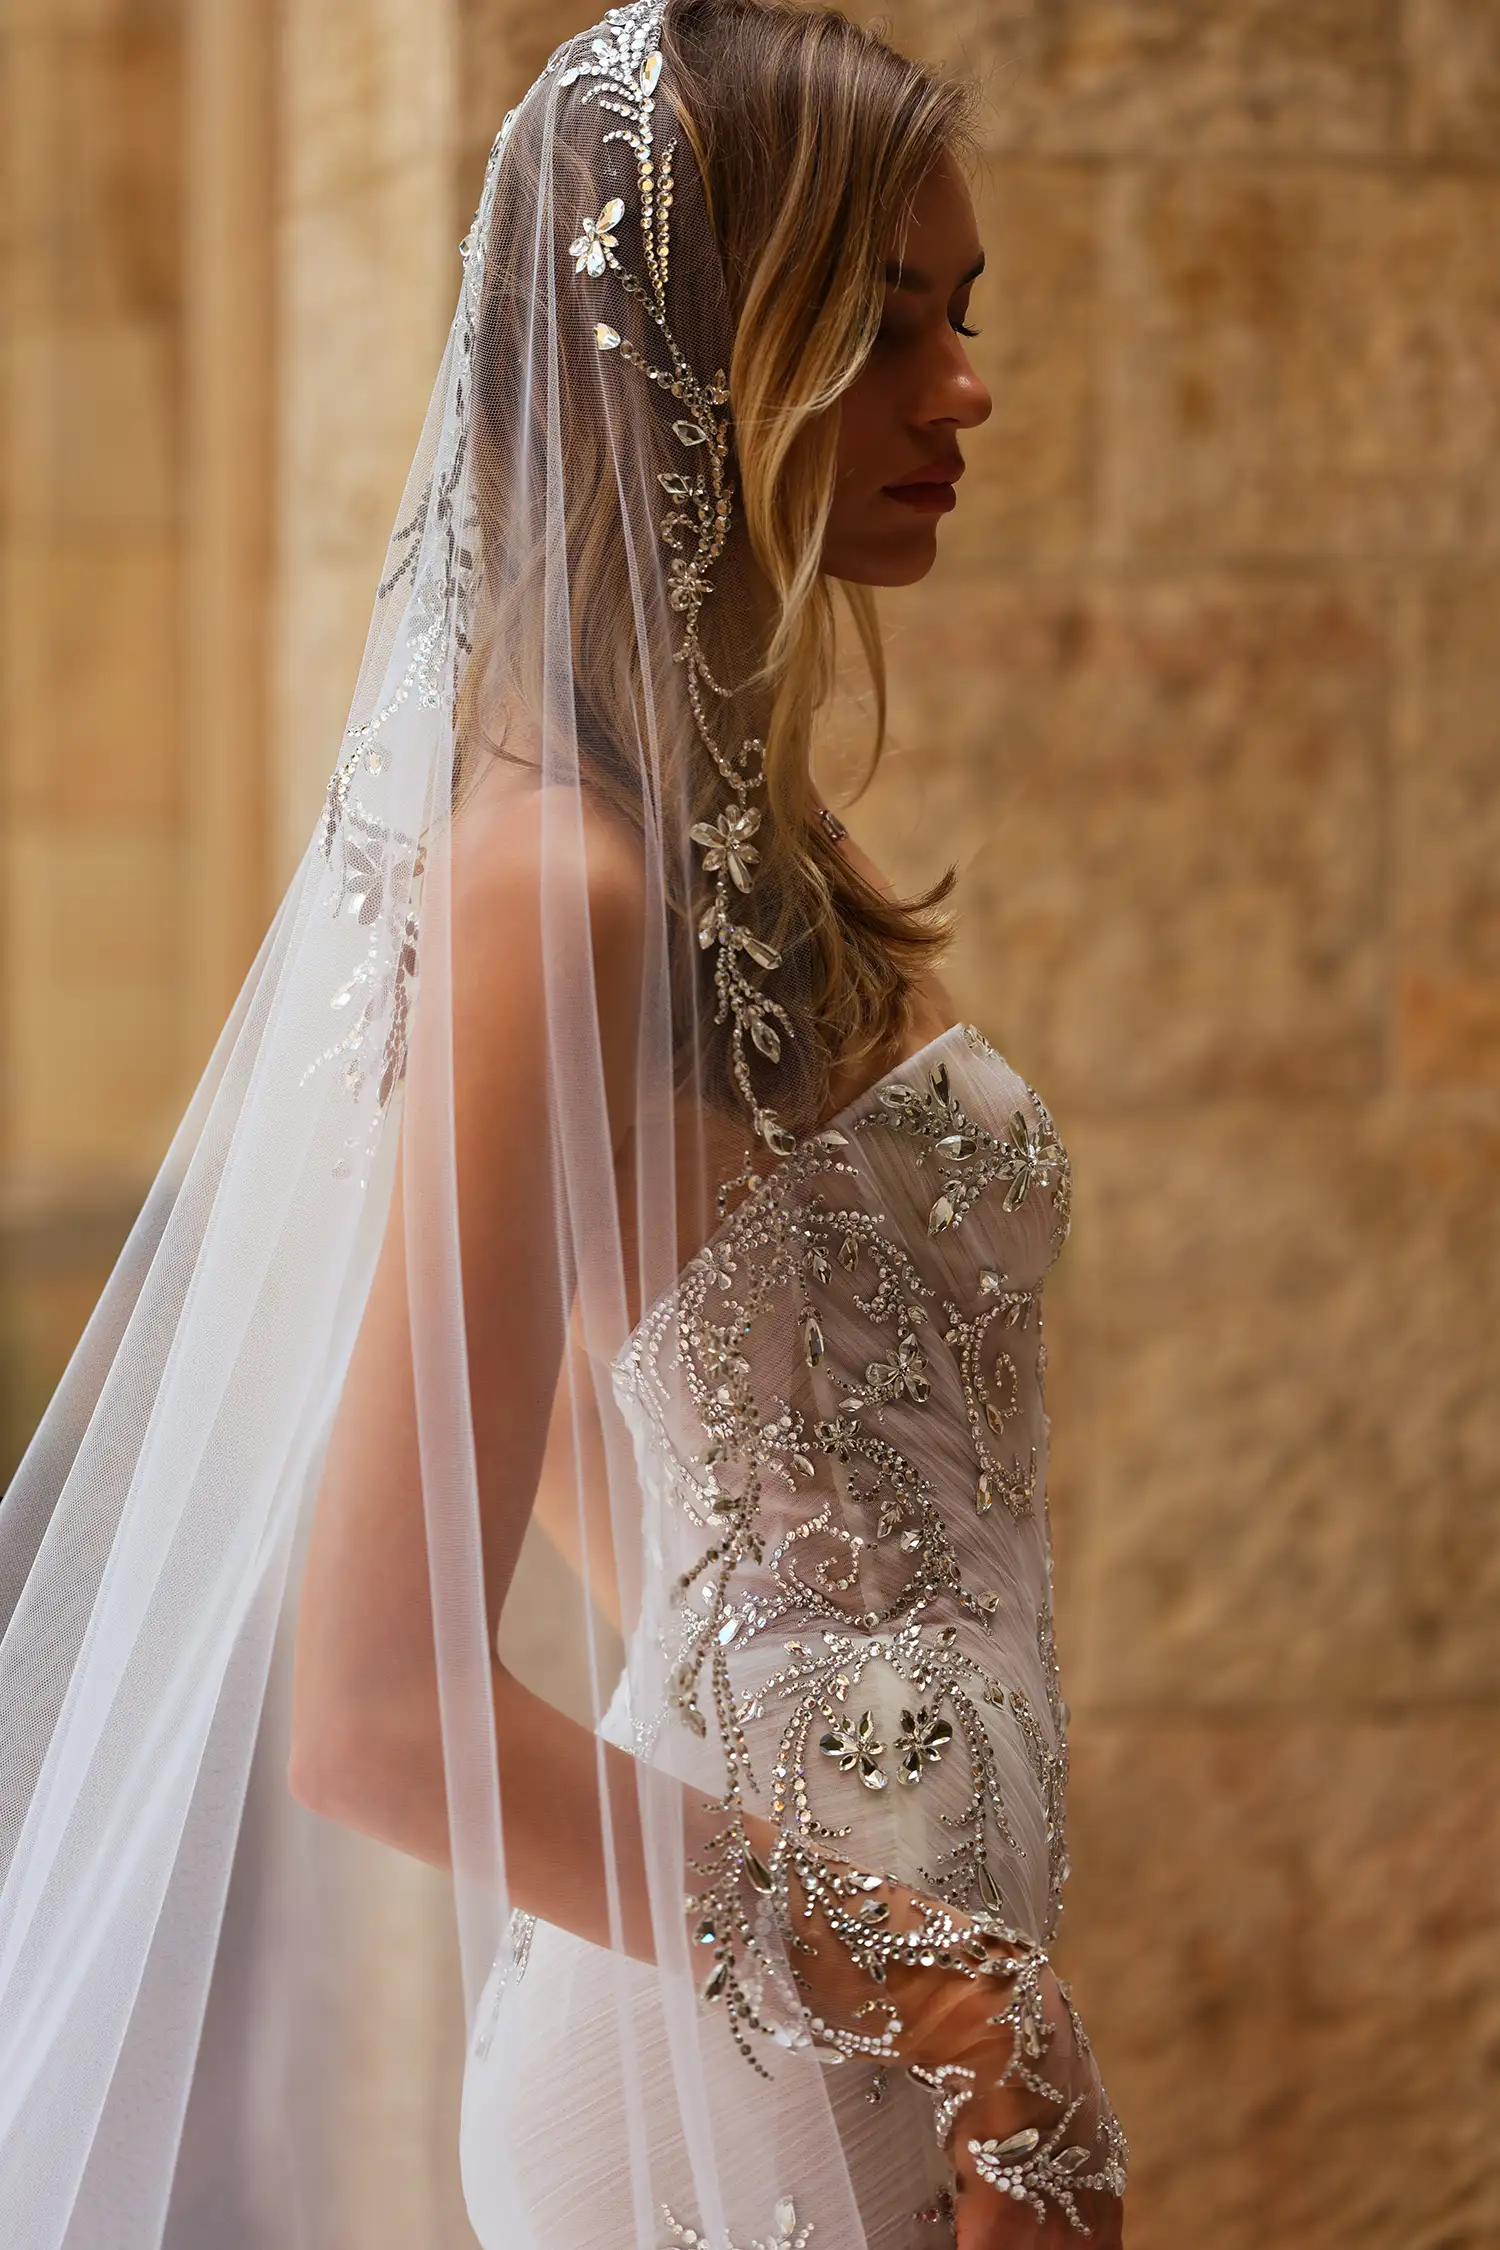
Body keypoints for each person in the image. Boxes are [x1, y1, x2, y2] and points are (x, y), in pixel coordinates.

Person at [0, 4, 1126, 2246]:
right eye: (886, 325)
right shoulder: (558, 879)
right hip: (763, 2059)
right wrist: (954, 1995)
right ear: (708, 360)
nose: (966, 389)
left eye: (964, 317)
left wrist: (924, 1868)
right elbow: (371, 1719)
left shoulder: (740, 844)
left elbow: (676, 1470)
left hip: (882, 1988)